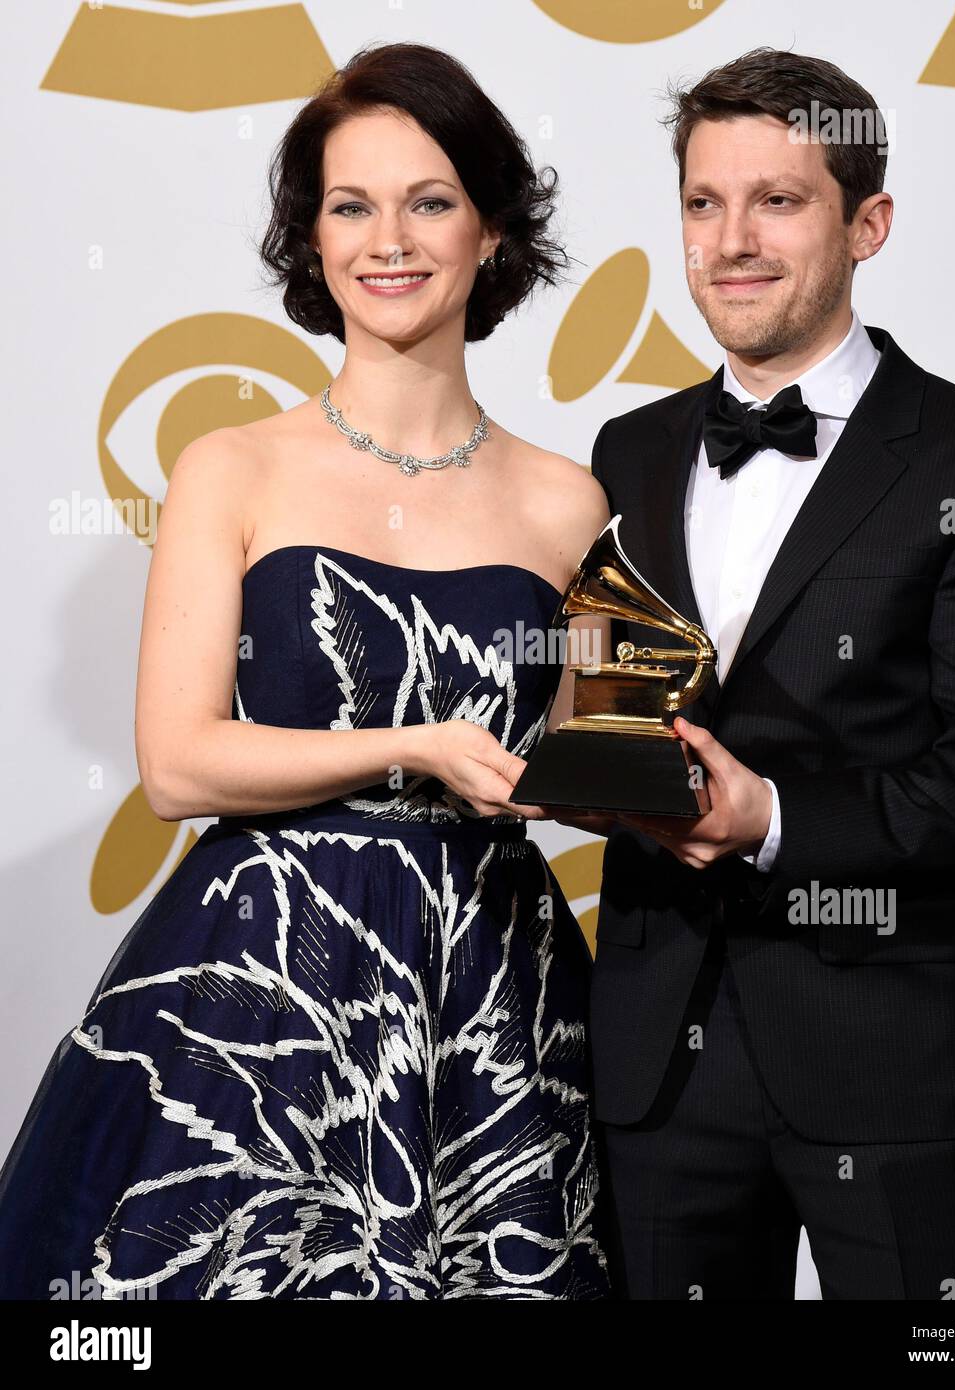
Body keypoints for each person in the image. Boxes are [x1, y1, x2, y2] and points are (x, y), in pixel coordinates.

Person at [0, 41, 612, 1300]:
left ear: (492, 229)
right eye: (351, 205)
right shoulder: (233, 466)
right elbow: (177, 763)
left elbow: (584, 766)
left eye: (430, 200)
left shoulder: (568, 501)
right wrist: (414, 745)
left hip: (488, 986)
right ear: (313, 241)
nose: (389, 238)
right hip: (269, 977)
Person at [579, 48, 955, 1299]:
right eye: (702, 203)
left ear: (868, 224)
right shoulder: (624, 450)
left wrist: (774, 819)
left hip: (890, 1065)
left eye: (777, 202)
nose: (730, 241)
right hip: (654, 1064)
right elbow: (610, 710)